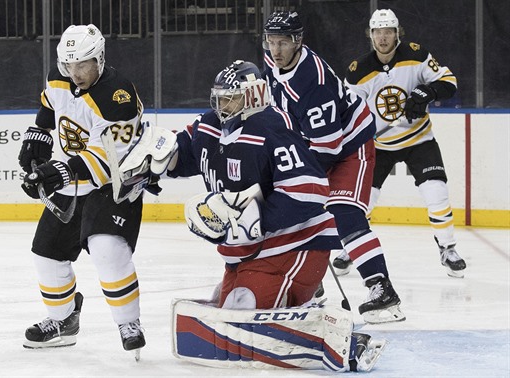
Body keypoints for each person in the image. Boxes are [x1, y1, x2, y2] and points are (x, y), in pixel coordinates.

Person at [118, 60, 385, 372]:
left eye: (231, 98)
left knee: (241, 308)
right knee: (223, 311)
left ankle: (339, 338)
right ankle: (296, 310)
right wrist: (157, 160)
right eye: (219, 98)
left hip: (296, 248)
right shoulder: (211, 125)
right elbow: (186, 151)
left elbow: (309, 191)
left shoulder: (272, 128)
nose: (222, 106)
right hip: (248, 253)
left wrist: (257, 221)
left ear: (255, 95)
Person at [262, 11, 404, 324]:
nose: (276, 50)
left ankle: (382, 289)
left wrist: (296, 179)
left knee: (344, 213)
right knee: (294, 213)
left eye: (283, 42)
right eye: (271, 41)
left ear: (298, 41)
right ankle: (310, 288)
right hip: (316, 144)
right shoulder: (272, 62)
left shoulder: (313, 82)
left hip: (350, 146)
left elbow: (329, 148)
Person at [17, 24, 148, 360]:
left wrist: (57, 171)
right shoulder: (58, 77)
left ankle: (128, 323)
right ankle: (63, 321)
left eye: (83, 65)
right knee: (46, 253)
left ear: (100, 58)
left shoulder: (118, 95)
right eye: (69, 65)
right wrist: (38, 135)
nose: (75, 73)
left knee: (107, 250)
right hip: (74, 181)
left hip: (115, 185)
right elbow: (49, 106)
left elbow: (110, 159)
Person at [342, 9, 466, 278]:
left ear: (397, 34)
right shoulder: (358, 71)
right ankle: (352, 246)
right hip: (378, 145)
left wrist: (426, 92)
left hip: (419, 140)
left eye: (389, 31)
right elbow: (347, 111)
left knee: (436, 193)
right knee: (363, 201)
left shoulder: (416, 55)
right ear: (370, 35)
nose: (383, 37)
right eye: (378, 31)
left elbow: (449, 81)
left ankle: (447, 248)